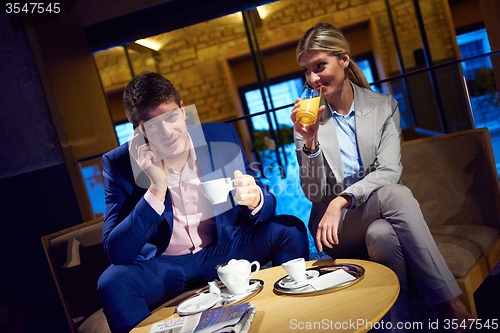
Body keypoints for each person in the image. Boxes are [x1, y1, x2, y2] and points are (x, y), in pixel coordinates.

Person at [290, 23, 473, 332]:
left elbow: (388, 171)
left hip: (370, 215)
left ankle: (396, 325)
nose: (312, 79)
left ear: (344, 60)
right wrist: (309, 143)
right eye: (306, 72)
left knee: (383, 235)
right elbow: (312, 193)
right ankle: (451, 304)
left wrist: (343, 199)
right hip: (337, 232)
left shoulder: (383, 107)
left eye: (319, 66)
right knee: (397, 195)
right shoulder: (308, 117)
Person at [98, 71, 308, 333]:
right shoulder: (120, 164)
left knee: (289, 229)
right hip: (164, 266)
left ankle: (288, 322)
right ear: (139, 132)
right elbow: (116, 252)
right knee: (113, 282)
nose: (167, 132)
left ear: (183, 110)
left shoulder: (219, 137)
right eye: (152, 126)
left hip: (219, 252)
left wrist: (255, 200)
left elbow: (262, 199)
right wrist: (156, 188)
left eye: (172, 117)